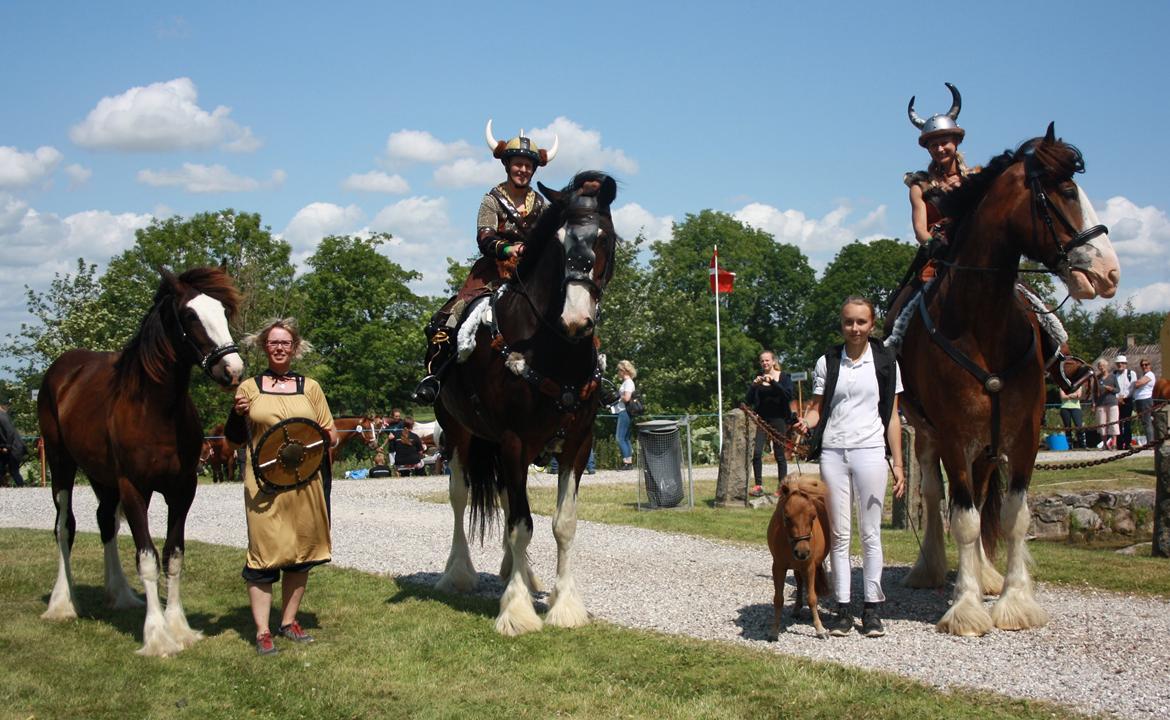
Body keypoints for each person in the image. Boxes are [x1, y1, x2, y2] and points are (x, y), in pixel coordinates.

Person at [887, 83, 1089, 392]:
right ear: (926, 148)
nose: (940, 149)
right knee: (900, 312)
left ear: (956, 141)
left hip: (980, 256)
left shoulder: (978, 176)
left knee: (1032, 300)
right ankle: (890, 368)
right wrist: (935, 241)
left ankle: (1062, 362)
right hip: (938, 259)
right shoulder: (920, 184)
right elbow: (920, 231)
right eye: (933, 144)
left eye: (945, 142)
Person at [412, 120, 558, 403]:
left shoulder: (541, 204)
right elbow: (485, 237)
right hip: (493, 271)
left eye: (528, 166)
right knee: (450, 317)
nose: (523, 170)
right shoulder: (491, 199)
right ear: (508, 165)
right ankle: (435, 378)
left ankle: (592, 379)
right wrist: (509, 249)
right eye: (518, 164)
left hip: (532, 274)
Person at [223, 318, 337, 656]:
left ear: (295, 347)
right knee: (263, 556)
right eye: (273, 342)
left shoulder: (311, 388)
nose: (279, 347)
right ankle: (262, 632)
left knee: (300, 555)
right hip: (265, 485)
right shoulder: (249, 388)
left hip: (305, 483)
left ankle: (288, 622)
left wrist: (311, 436)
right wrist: (234, 414)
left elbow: (330, 435)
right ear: (264, 347)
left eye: (285, 342)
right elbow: (233, 440)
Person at [794, 296, 904, 638]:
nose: (854, 329)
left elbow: (892, 417)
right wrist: (806, 423)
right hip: (833, 453)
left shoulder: (886, 361)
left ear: (872, 325)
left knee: (870, 533)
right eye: (848, 322)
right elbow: (817, 408)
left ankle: (872, 608)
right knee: (839, 535)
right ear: (841, 324)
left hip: (870, 451)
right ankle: (842, 608)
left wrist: (898, 462)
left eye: (861, 322)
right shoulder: (828, 361)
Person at [745, 350, 797, 497]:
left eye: (767, 360)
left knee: (780, 455)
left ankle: (781, 487)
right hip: (762, 420)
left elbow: (788, 395)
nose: (764, 363)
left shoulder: (784, 377)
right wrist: (753, 386)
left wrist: (773, 382)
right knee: (756, 453)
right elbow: (748, 400)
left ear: (773, 361)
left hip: (779, 419)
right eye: (762, 361)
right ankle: (758, 485)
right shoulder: (759, 379)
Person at [611, 360, 637, 471]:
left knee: (620, 438)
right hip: (625, 412)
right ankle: (628, 462)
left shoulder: (628, 383)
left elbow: (627, 398)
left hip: (624, 411)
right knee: (626, 438)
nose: (618, 373)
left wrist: (618, 396)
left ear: (623, 371)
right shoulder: (627, 382)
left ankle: (627, 462)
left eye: (619, 370)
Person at [0, 394, 28, 488]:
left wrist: (6, 447)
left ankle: (21, 488)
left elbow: (10, 432)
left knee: (14, 470)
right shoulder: (3, 416)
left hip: (14, 448)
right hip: (11, 447)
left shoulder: (1, 416)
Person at [1092, 359, 1120, 450]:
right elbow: (1094, 392)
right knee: (1102, 423)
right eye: (1100, 366)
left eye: (1103, 365)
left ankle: (1114, 444)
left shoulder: (1113, 377)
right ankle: (1104, 444)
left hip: (1112, 403)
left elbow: (1118, 390)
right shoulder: (1097, 378)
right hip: (1100, 404)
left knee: (1113, 422)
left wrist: (1111, 389)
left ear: (1106, 366)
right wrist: (1093, 403)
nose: (1101, 367)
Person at [1114, 355, 1138, 449]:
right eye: (1119, 363)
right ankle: (1119, 444)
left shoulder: (1131, 373)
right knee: (1118, 423)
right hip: (1117, 400)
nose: (1120, 365)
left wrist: (1124, 397)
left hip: (1127, 400)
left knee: (1127, 423)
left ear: (1125, 364)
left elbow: (1132, 387)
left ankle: (1127, 443)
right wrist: (1117, 398)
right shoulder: (1114, 374)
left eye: (1122, 363)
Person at [1132, 358, 1156, 445]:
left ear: (1150, 365)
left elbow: (1137, 384)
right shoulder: (1144, 375)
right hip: (1139, 400)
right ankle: (1149, 441)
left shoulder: (1150, 374)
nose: (1144, 366)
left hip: (1145, 400)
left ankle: (1150, 443)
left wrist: (1135, 383)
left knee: (1147, 422)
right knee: (1144, 422)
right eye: (1142, 365)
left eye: (1146, 364)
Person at [1058, 385, 1086, 449]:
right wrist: (1073, 395)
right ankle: (1069, 446)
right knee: (1067, 427)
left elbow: (1078, 395)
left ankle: (1082, 445)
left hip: (1076, 408)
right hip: (1064, 407)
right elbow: (1062, 397)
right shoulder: (1062, 385)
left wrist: (1068, 395)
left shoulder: (1078, 385)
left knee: (1079, 426)